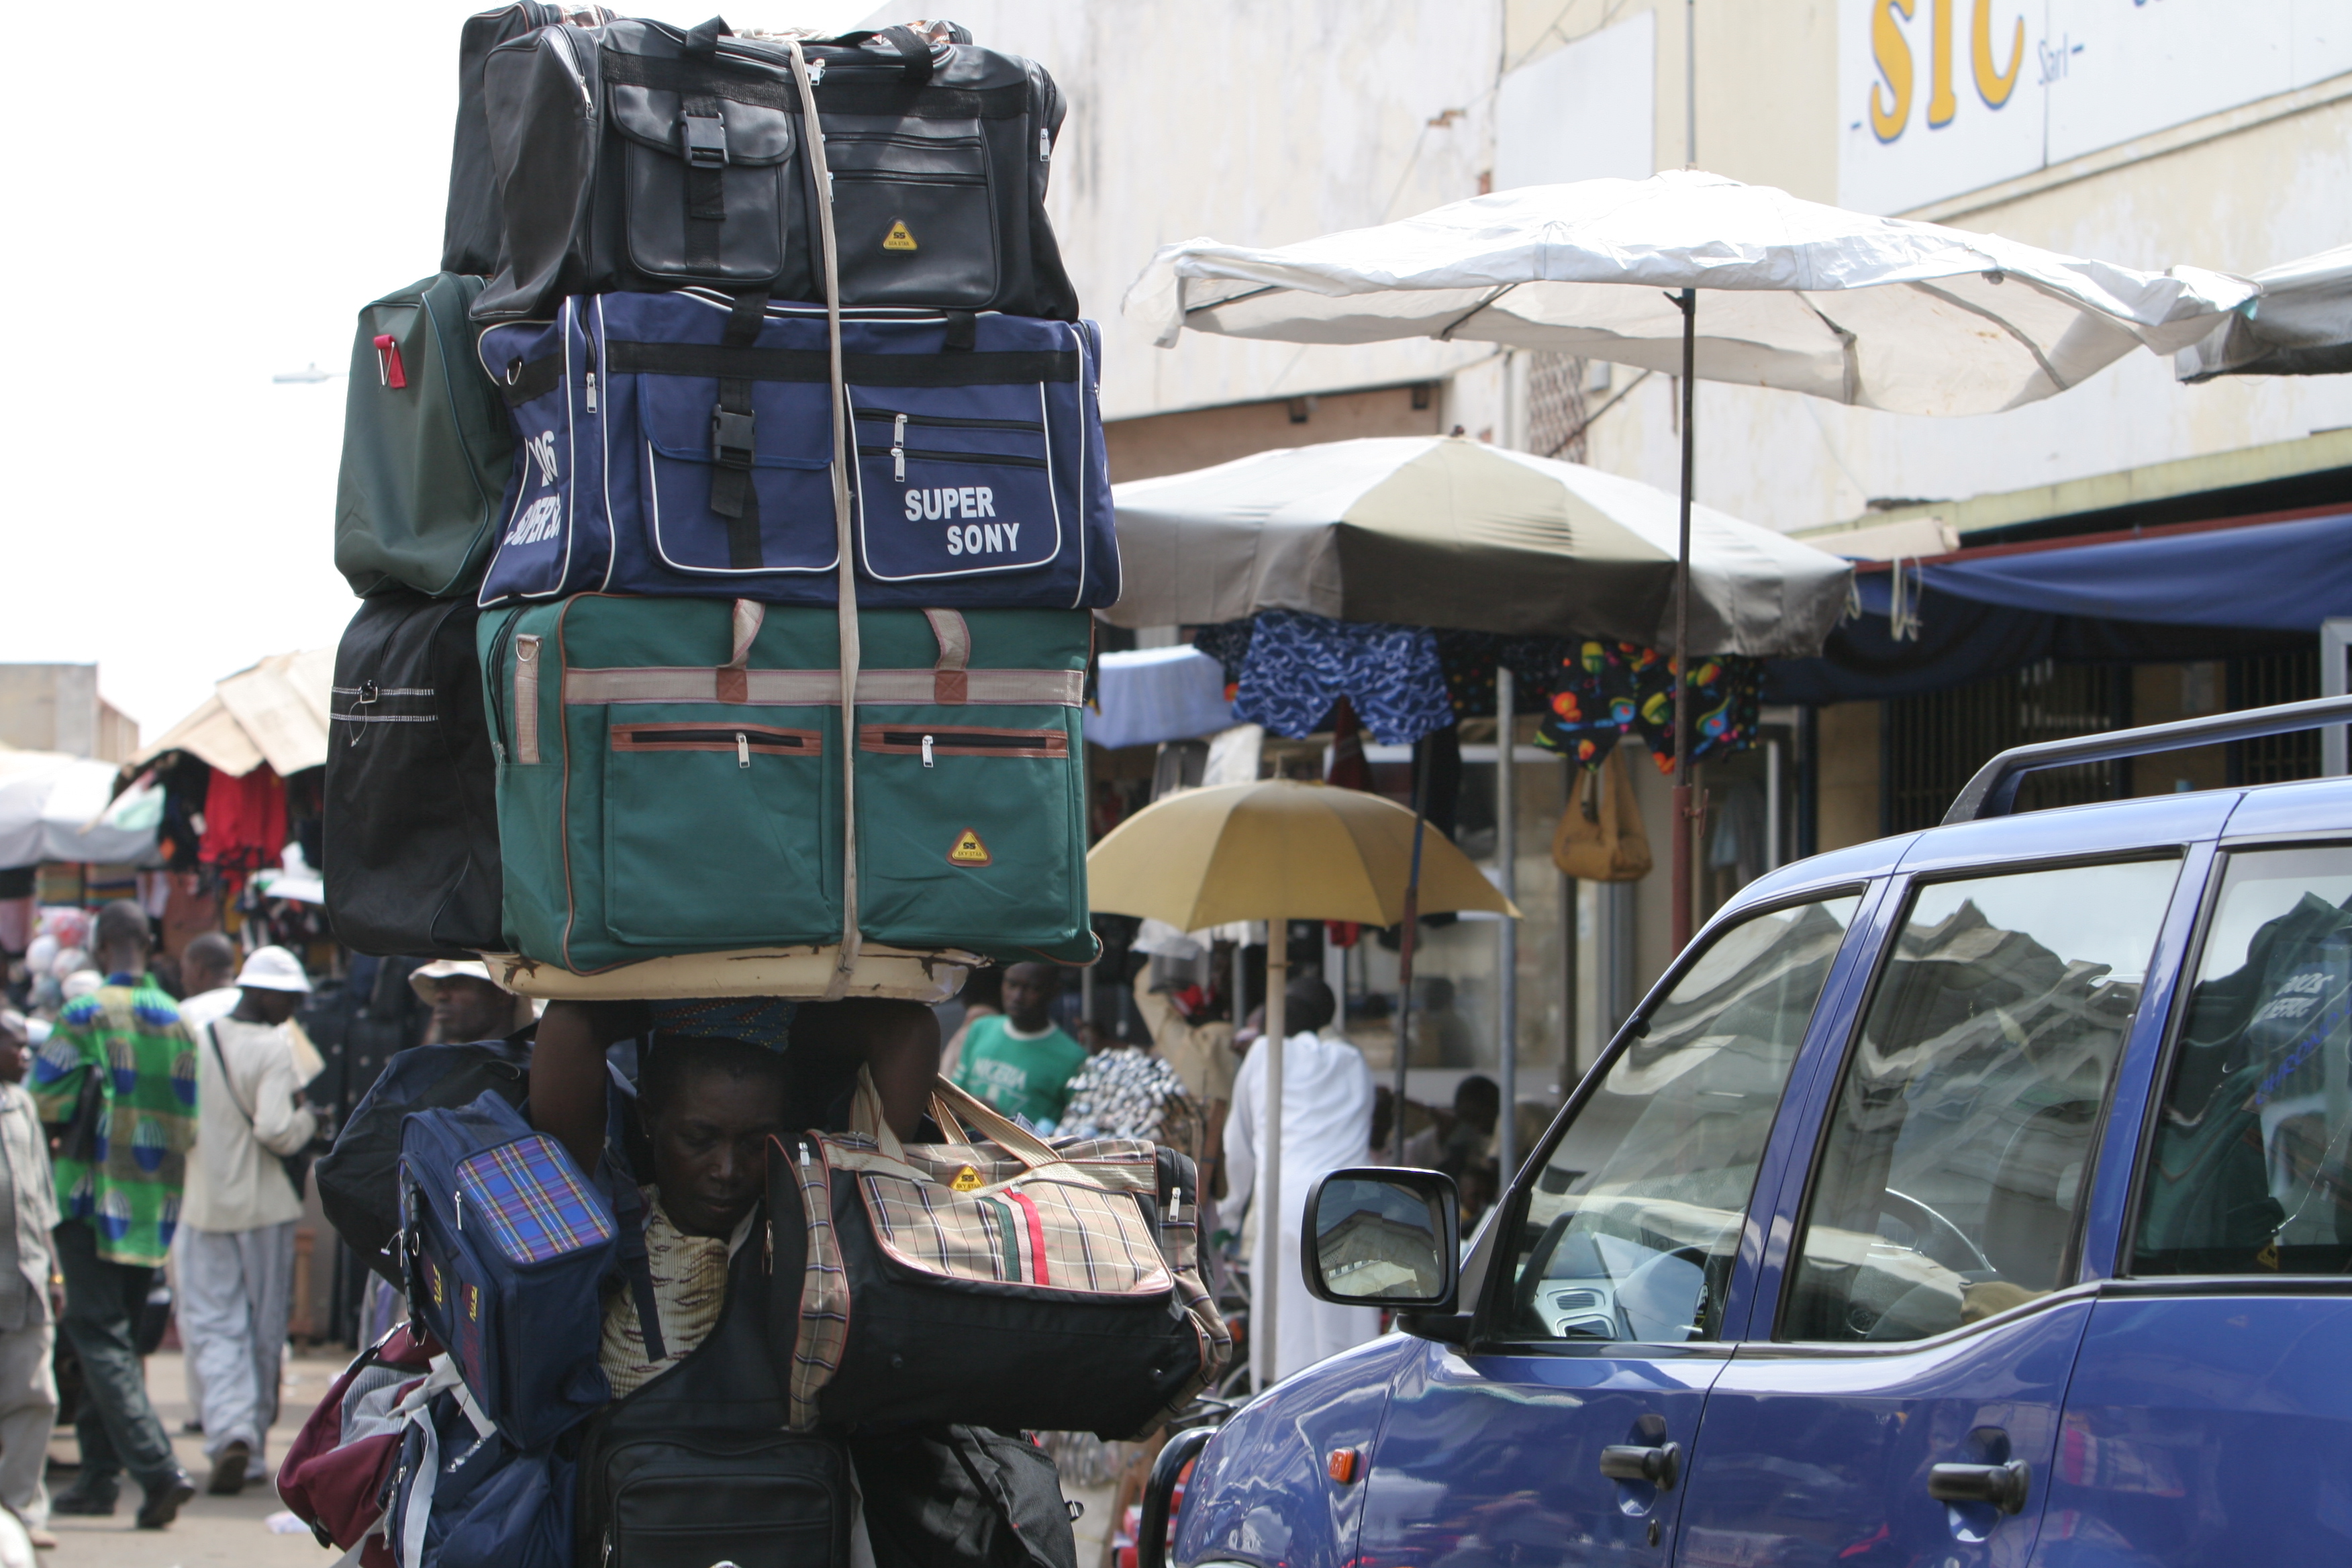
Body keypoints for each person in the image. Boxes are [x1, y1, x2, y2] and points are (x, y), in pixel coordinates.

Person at [29, 901, 197, 1528]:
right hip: (154, 1202)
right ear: (149, 945)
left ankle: (158, 1471)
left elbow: (40, 1100)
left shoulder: (83, 1014)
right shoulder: (176, 1019)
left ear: (100, 949)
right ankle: (99, 1479)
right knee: (119, 1339)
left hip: (88, 1197)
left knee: (95, 1334)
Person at [177, 946, 320, 1496]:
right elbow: (276, 1131)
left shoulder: (198, 1035)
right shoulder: (274, 1047)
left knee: (213, 1327)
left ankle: (228, 1431)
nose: (293, 1008)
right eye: (288, 997)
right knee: (262, 1330)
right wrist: (311, 1118)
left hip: (202, 1203)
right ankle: (251, 1447)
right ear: (262, 992)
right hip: (263, 1210)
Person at [1222, 975, 1377, 1381]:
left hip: (1285, 1203)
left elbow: (1238, 1147)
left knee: (1285, 1338)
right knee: (1346, 1343)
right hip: (1351, 1205)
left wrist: (1229, 1213)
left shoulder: (1264, 1056)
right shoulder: (1353, 1060)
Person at [0, 1014, 59, 1548]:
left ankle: (20, 1514)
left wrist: (56, 1271)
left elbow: (41, 1198)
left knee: (34, 1397)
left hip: (27, 1281)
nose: (25, 1056)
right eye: (15, 1047)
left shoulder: (22, 1107)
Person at [949, 963, 1088, 1130]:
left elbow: (1065, 1130)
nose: (1017, 996)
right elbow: (952, 1098)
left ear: (1054, 992)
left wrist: (1002, 1124)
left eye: (1032, 988)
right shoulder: (980, 1029)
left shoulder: (1072, 1059)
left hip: (1023, 1154)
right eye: (1012, 985)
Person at [411, 959, 535, 1044]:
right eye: (438, 987)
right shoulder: (443, 1067)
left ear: (502, 995)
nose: (441, 996)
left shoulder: (533, 1069)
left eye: (456, 984)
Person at [173, 933, 240, 1034]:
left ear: (198, 970)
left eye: (184, 970)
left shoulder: (185, 1013)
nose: (182, 980)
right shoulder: (250, 1005)